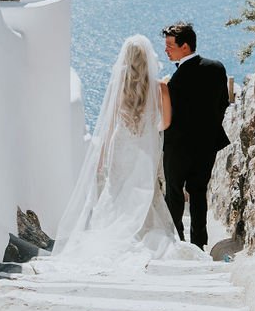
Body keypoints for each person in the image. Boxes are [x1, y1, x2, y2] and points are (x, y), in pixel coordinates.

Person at [51, 34, 207, 272]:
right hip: (144, 150)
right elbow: (164, 123)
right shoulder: (160, 87)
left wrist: (102, 156)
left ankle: (113, 234)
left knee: (117, 193)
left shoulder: (117, 86)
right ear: (148, 59)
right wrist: (146, 130)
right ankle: (143, 235)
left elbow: (109, 124)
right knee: (145, 193)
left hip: (120, 146)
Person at [161, 21, 230, 250]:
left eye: (170, 45)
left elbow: (167, 115)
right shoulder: (217, 68)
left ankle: (176, 240)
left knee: (174, 192)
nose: (166, 50)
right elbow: (222, 104)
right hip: (206, 144)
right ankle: (199, 244)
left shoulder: (173, 81)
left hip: (177, 146)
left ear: (185, 46)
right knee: (199, 193)